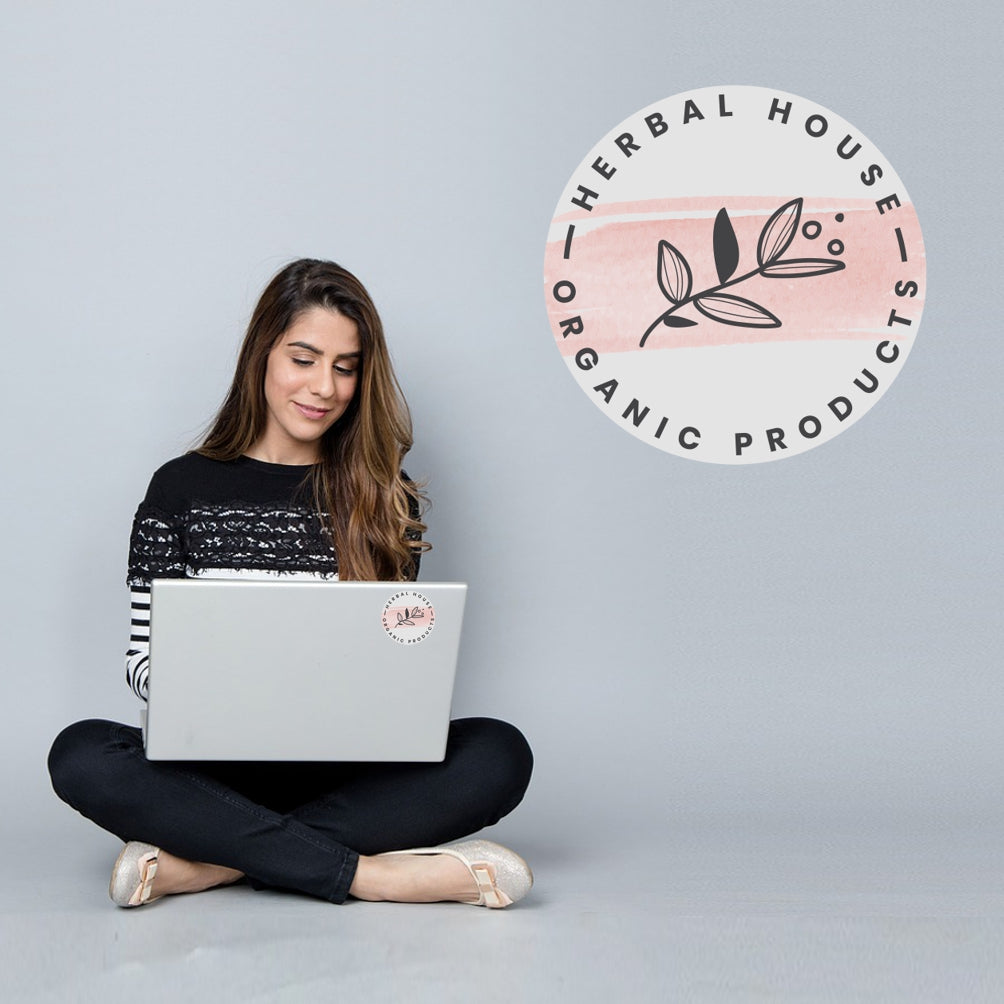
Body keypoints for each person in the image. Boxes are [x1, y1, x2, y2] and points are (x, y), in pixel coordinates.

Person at [47, 259, 533, 909]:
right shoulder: (179, 488)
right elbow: (142, 660)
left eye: (345, 366)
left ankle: (212, 860)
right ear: (262, 356)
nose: (324, 387)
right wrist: (212, 682)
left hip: (345, 774)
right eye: (303, 358)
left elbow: (395, 672)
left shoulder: (386, 498)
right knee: (79, 753)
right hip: (206, 769)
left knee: (500, 752)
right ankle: (371, 875)